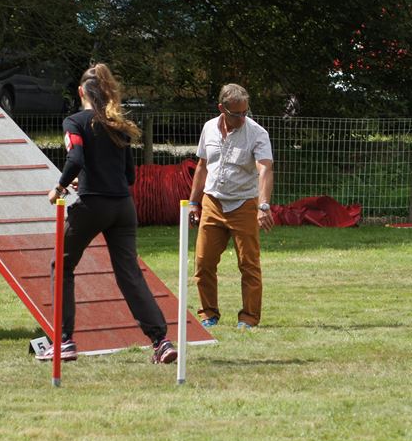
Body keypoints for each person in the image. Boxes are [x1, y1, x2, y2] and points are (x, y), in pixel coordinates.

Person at [39, 63, 177, 364]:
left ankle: (64, 341)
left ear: (80, 92)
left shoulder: (74, 122)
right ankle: (161, 341)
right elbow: (128, 175)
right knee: (129, 274)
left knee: (60, 266)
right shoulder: (119, 125)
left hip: (92, 206)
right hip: (124, 208)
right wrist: (86, 177)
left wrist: (60, 188)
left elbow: (75, 158)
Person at [187, 84, 274, 330]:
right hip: (212, 202)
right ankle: (207, 315)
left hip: (244, 204)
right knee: (203, 263)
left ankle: (248, 318)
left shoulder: (257, 133)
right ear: (222, 109)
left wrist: (263, 205)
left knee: (249, 264)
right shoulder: (208, 129)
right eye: (237, 114)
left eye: (245, 112)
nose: (242, 118)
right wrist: (194, 203)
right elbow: (202, 166)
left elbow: (265, 168)